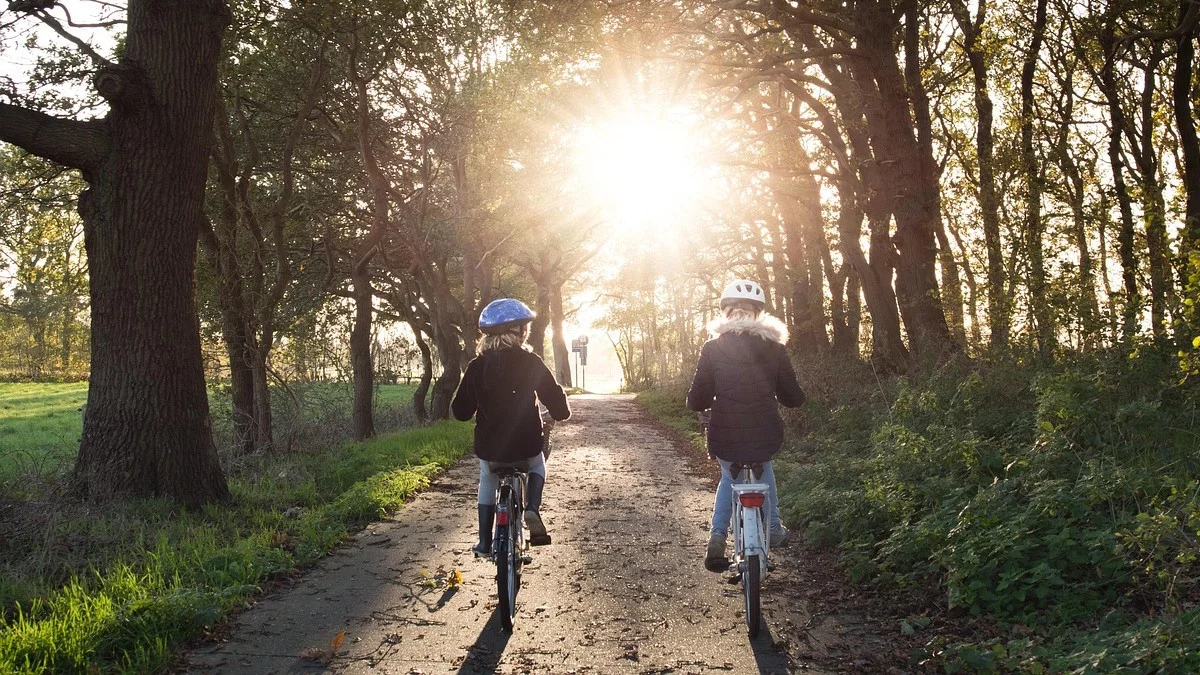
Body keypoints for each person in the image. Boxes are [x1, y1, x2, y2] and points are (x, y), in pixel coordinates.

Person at [686, 279, 806, 572]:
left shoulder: (712, 347)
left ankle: (717, 536)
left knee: (729, 476)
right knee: (765, 466)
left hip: (724, 432)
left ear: (726, 313)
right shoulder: (774, 347)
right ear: (758, 314)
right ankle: (774, 527)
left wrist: (698, 403)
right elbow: (792, 397)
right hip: (765, 430)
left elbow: (697, 398)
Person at [452, 298, 571, 556]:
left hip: (490, 449)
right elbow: (559, 408)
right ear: (519, 331)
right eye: (524, 327)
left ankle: (484, 542)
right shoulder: (532, 362)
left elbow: (460, 412)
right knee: (538, 465)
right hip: (526, 446)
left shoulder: (476, 367)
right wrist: (558, 411)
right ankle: (532, 509)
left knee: (488, 476)